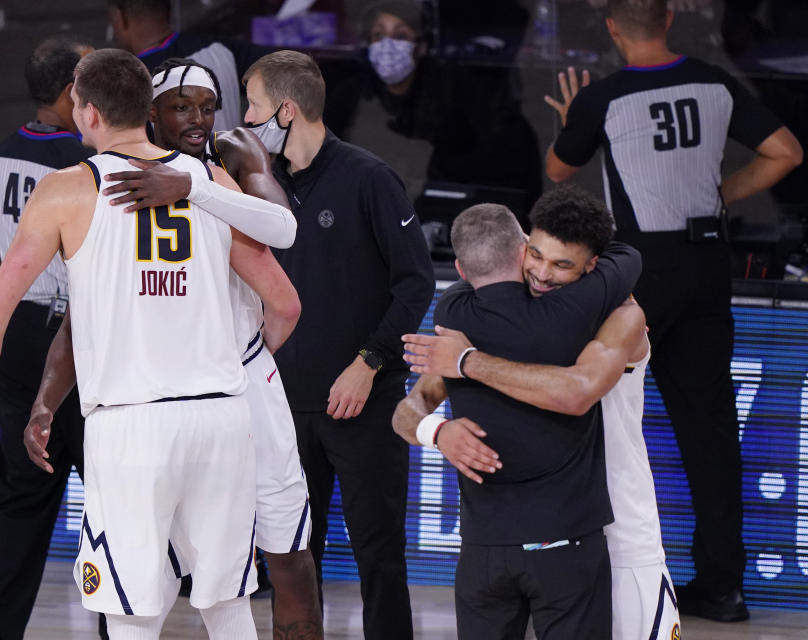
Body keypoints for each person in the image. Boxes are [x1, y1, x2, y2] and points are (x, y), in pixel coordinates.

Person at [0, 48, 299, 640]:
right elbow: (284, 302)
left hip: (131, 426)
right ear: (148, 109)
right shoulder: (205, 180)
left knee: (129, 612)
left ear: (85, 113)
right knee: (227, 605)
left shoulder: (65, 190)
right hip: (220, 418)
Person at [544, 0, 803, 621]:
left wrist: (569, 122)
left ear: (612, 28)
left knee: (593, 408)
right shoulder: (714, 81)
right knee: (710, 430)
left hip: (641, 270)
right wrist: (717, 194)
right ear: (668, 22)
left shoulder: (601, 97)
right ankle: (723, 586)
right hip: (708, 261)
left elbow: (559, 171)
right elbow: (787, 152)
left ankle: (580, 569)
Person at [397, 184, 681, 640]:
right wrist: (438, 431)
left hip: (623, 531)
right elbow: (410, 408)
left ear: (593, 267)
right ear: (522, 246)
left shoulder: (620, 315)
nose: (543, 274)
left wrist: (470, 361)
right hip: (541, 533)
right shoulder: (489, 322)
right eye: (537, 255)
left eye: (562, 264)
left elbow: (578, 391)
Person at [241, 49, 435, 638]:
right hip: (285, 405)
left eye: (253, 107)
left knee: (380, 554)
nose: (246, 120)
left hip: (365, 404)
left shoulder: (369, 178)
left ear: (287, 109)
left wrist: (368, 363)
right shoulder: (258, 184)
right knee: (294, 556)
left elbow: (416, 281)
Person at [0, 37, 93, 640]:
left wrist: (26, 286)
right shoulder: (89, 163)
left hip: (18, 337)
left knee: (21, 497)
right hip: (82, 342)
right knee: (114, 495)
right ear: (74, 91)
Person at [325, 0, 541, 217]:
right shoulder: (359, 100)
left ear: (421, 46)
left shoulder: (452, 102)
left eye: (400, 36)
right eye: (378, 36)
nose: (387, 47)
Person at [106, 0, 262, 133]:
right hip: (231, 166)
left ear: (121, 17)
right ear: (170, 12)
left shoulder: (124, 84)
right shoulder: (222, 49)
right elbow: (283, 72)